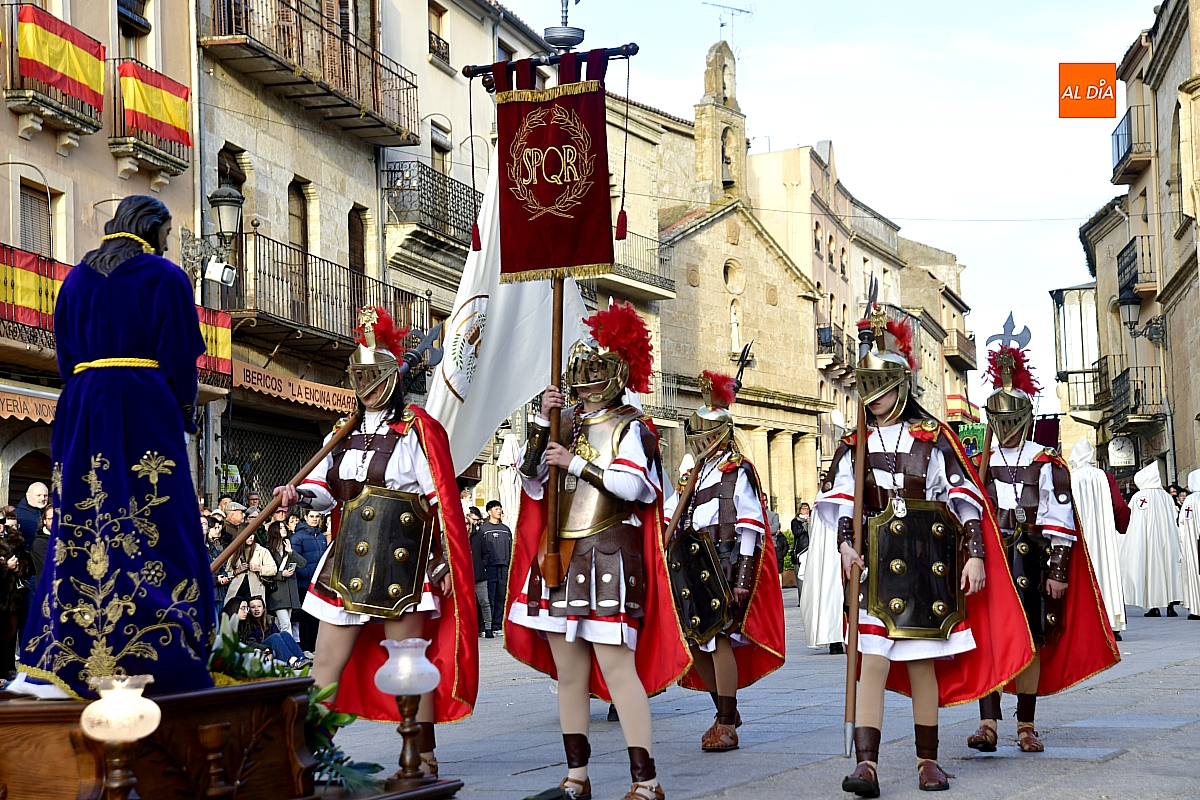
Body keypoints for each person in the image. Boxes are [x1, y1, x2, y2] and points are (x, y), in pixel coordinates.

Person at [822, 308, 1031, 797]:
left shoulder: (935, 438)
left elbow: (965, 500)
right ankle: (867, 766)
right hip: (876, 566)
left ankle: (927, 762)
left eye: (883, 389)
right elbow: (844, 505)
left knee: (920, 663)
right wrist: (845, 546)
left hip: (925, 563)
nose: (875, 401)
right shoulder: (854, 444)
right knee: (871, 660)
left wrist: (976, 555)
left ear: (901, 386)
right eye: (869, 391)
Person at [17, 196, 215, 699]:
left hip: (82, 406)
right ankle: (163, 642)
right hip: (145, 404)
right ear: (153, 230)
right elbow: (178, 359)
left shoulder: (75, 280)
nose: (168, 242)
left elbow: (64, 356)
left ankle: (67, 645)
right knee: (160, 520)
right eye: (167, 234)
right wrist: (182, 412)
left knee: (82, 518)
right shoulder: (165, 275)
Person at [275, 306, 477, 776]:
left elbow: (441, 498)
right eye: (358, 375)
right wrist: (297, 493)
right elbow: (326, 492)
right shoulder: (341, 433)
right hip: (345, 557)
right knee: (325, 664)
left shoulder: (416, 431)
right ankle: (311, 754)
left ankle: (420, 755)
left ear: (391, 376)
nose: (365, 385)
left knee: (409, 667)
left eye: (374, 375)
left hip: (401, 560)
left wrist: (445, 560)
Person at [506, 302, 690, 800]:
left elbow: (632, 486)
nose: (585, 381)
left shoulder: (635, 427)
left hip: (609, 556)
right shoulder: (563, 423)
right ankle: (576, 778)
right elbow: (532, 479)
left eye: (595, 370)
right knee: (569, 673)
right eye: (580, 370)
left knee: (616, 668)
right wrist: (545, 426)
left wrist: (576, 461)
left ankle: (646, 781)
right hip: (561, 556)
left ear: (616, 373)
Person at [966, 347, 1118, 754]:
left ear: (1026, 420)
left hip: (1033, 558)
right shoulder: (979, 461)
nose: (1008, 429)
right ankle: (987, 722)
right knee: (991, 637)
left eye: (1013, 421)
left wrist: (1059, 571)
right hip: (994, 559)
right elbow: (970, 512)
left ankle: (1026, 724)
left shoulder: (1045, 461)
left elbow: (1060, 520)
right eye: (1000, 421)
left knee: (1032, 638)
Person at [663, 370, 785, 752]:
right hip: (692, 568)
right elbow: (671, 518)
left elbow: (751, 527)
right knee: (694, 641)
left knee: (717, 640)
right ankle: (722, 711)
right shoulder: (691, 479)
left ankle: (728, 721)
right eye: (694, 437)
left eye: (704, 437)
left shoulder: (738, 471)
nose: (698, 443)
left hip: (726, 566)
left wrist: (743, 580)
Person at [1068, 440, 1128, 639]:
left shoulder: (1069, 478)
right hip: (1103, 536)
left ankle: (1083, 623)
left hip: (1078, 535)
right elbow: (1119, 506)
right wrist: (1121, 527)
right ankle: (1110, 622)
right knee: (1106, 571)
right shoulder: (1105, 477)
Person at [1121, 463, 1184, 617]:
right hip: (1167, 539)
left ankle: (1153, 606)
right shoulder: (1165, 496)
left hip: (1147, 541)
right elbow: (1175, 516)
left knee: (1150, 568)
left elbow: (1133, 519)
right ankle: (1171, 606)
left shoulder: (1139, 497)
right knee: (1168, 569)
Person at [0, 510, 33, 678]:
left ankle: (8, 670)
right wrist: (6, 567)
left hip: (13, 595)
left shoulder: (14, 538)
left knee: (11, 634)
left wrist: (20, 566)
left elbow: (28, 562)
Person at [264, 521, 306, 641]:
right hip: (277, 593)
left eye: (284, 527)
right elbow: (265, 571)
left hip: (290, 592)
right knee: (285, 624)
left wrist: (291, 552)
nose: (284, 529)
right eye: (280, 527)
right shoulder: (267, 549)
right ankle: (291, 652)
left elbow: (303, 563)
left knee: (281, 624)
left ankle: (282, 651)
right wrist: (280, 574)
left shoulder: (288, 547)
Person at [245, 596, 308, 666]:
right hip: (260, 649)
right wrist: (265, 648)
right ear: (249, 610)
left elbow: (279, 637)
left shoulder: (269, 621)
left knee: (284, 634)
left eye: (259, 606)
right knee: (274, 637)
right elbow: (250, 643)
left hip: (272, 649)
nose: (256, 609)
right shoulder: (247, 623)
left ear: (264, 609)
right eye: (253, 607)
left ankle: (302, 658)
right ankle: (291, 661)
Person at [480, 500, 512, 636]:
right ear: (489, 512)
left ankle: (497, 625)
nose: (499, 511)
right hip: (490, 568)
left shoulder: (506, 529)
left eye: (500, 508)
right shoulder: (483, 529)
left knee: (501, 597)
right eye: (496, 509)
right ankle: (487, 625)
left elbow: (512, 549)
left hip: (504, 567)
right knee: (489, 598)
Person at [1176, 470, 1200, 620]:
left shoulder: (1190, 501)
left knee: (1195, 573)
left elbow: (1183, 523)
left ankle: (1197, 608)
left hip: (1194, 544)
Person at [224, 536, 278, 600]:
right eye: (248, 535)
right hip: (237, 588)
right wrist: (237, 570)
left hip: (255, 587)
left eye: (252, 534)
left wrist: (259, 568)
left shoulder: (262, 551)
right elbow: (227, 572)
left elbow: (273, 569)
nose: (250, 537)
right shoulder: (235, 551)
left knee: (255, 608)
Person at [468, 507, 493, 638]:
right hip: (465, 576)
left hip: (479, 574)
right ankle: (473, 628)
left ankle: (488, 627)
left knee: (484, 601)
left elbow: (486, 553)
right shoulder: (459, 536)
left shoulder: (479, 536)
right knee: (468, 604)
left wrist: (482, 564)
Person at [208, 516, 232, 618]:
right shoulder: (199, 549)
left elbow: (222, 568)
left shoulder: (215, 549)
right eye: (215, 528)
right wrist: (215, 580)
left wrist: (224, 577)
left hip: (219, 594)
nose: (218, 531)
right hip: (209, 594)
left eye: (219, 527)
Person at [14, 482, 48, 549]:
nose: (43, 498)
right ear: (28, 496)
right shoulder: (16, 515)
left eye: (45, 495)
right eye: (38, 495)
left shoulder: (54, 514)